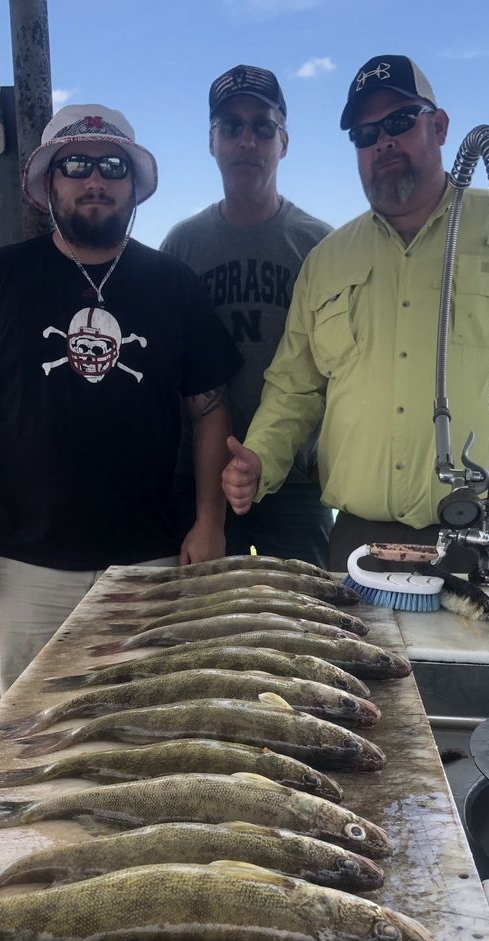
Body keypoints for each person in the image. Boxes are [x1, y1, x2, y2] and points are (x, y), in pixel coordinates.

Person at [222, 54, 489, 572]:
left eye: (400, 122)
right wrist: (260, 459)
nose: (382, 141)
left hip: (475, 535)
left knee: (466, 657)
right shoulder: (328, 259)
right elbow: (294, 385)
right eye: (364, 134)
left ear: (440, 125)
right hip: (358, 539)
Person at [0, 104, 241, 719]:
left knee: (145, 735)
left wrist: (210, 522)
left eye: (111, 166)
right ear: (50, 181)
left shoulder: (174, 284)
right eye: (75, 164)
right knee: (13, 737)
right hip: (25, 565)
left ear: (133, 185)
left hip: (149, 563)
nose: (94, 179)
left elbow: (210, 409)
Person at [161, 65, 334, 567]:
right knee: (207, 623)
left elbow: (341, 363)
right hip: (203, 478)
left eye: (262, 127)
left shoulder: (318, 245)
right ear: (212, 141)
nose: (246, 141)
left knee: (308, 618)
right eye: (231, 127)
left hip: (297, 481)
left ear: (284, 142)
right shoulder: (182, 244)